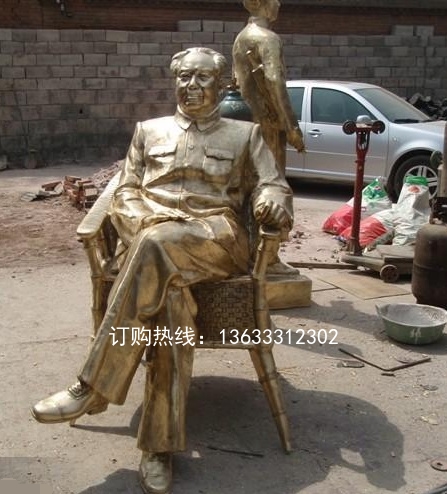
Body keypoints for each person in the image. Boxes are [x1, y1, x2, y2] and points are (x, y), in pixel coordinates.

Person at [31, 47, 293, 494]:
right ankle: (158, 448)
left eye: (202, 78)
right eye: (184, 77)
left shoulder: (245, 134)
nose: (191, 86)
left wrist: (272, 201)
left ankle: (92, 385)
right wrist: (144, 221)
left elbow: (275, 185)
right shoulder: (147, 131)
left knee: (157, 246)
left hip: (215, 239)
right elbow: (125, 191)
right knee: (171, 303)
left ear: (222, 85)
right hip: (153, 243)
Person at [233, 0, 305, 172]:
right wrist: (291, 127)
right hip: (269, 120)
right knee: (273, 176)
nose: (278, 4)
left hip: (246, 120)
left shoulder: (240, 37)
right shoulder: (268, 39)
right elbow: (274, 81)